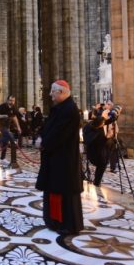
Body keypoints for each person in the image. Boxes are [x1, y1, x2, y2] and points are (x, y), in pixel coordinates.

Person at [35, 80, 83, 235]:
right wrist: (41, 136)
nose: (50, 94)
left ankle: (64, 224)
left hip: (63, 161)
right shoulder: (61, 108)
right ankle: (55, 221)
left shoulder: (69, 110)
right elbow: (49, 127)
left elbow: (59, 134)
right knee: (55, 190)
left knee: (62, 192)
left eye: (53, 91)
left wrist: (44, 142)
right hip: (57, 158)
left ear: (62, 92)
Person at [0, 95, 22, 161]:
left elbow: (14, 118)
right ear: (7, 100)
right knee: (10, 136)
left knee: (6, 142)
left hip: (7, 126)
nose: (12, 102)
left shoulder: (14, 108)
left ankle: (2, 158)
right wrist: (4, 116)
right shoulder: (2, 106)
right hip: (0, 125)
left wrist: (18, 127)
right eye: (10, 100)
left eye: (13, 101)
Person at [83, 116, 107, 186]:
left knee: (102, 164)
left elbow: (102, 140)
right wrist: (97, 133)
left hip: (100, 150)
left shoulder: (100, 128)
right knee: (101, 164)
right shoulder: (88, 128)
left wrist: (107, 137)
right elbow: (88, 140)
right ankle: (96, 182)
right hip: (92, 151)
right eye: (102, 123)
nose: (103, 124)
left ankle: (97, 182)